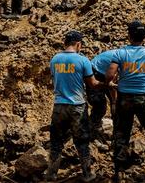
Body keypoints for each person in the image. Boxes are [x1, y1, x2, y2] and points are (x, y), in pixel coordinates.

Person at [105, 21, 145, 182]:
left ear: (129, 35)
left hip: (125, 98)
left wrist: (113, 82)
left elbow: (109, 75)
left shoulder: (120, 53)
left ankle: (119, 171)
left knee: (122, 133)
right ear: (144, 36)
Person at [46, 31, 103, 182]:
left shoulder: (55, 59)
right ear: (78, 44)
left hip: (59, 106)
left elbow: (54, 79)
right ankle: (87, 174)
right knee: (82, 141)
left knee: (56, 141)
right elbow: (92, 84)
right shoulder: (83, 60)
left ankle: (51, 174)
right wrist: (107, 84)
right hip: (77, 106)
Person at [88, 48, 118, 138]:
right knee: (99, 105)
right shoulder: (123, 59)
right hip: (95, 72)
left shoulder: (132, 61)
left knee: (119, 102)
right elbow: (111, 81)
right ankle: (90, 132)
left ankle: (117, 129)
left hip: (105, 71)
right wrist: (114, 102)